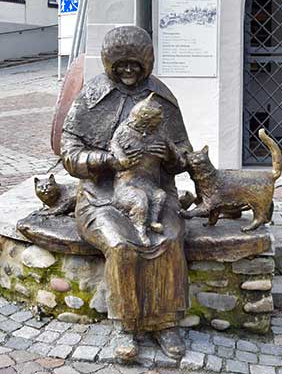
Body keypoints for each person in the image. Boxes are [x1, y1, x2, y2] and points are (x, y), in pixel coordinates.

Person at [60, 26, 191, 361]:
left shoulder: (161, 98)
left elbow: (184, 154)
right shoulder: (92, 96)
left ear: (146, 63)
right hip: (100, 197)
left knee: (170, 239)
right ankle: (126, 326)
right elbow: (69, 151)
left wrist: (171, 155)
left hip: (156, 192)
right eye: (121, 64)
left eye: (135, 63)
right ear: (109, 65)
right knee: (121, 245)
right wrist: (107, 160)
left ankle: (165, 322)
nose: (128, 69)